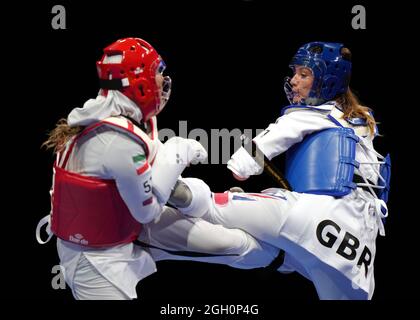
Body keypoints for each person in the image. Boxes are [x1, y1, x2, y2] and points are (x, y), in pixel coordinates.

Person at [36, 37, 279, 300]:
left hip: (127, 222)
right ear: (139, 83)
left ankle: (286, 256)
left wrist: (196, 196)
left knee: (231, 244)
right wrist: (176, 153)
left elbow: (152, 180)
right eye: (158, 73)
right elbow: (148, 210)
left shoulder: (137, 120)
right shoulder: (114, 141)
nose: (164, 80)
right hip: (94, 257)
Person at [158, 42, 391, 299]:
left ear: (327, 80)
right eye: (295, 73)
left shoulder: (308, 114)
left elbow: (244, 163)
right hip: (358, 250)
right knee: (269, 254)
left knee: (216, 208)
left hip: (313, 217)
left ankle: (166, 186)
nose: (294, 81)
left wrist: (241, 166)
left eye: (304, 74)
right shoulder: (363, 122)